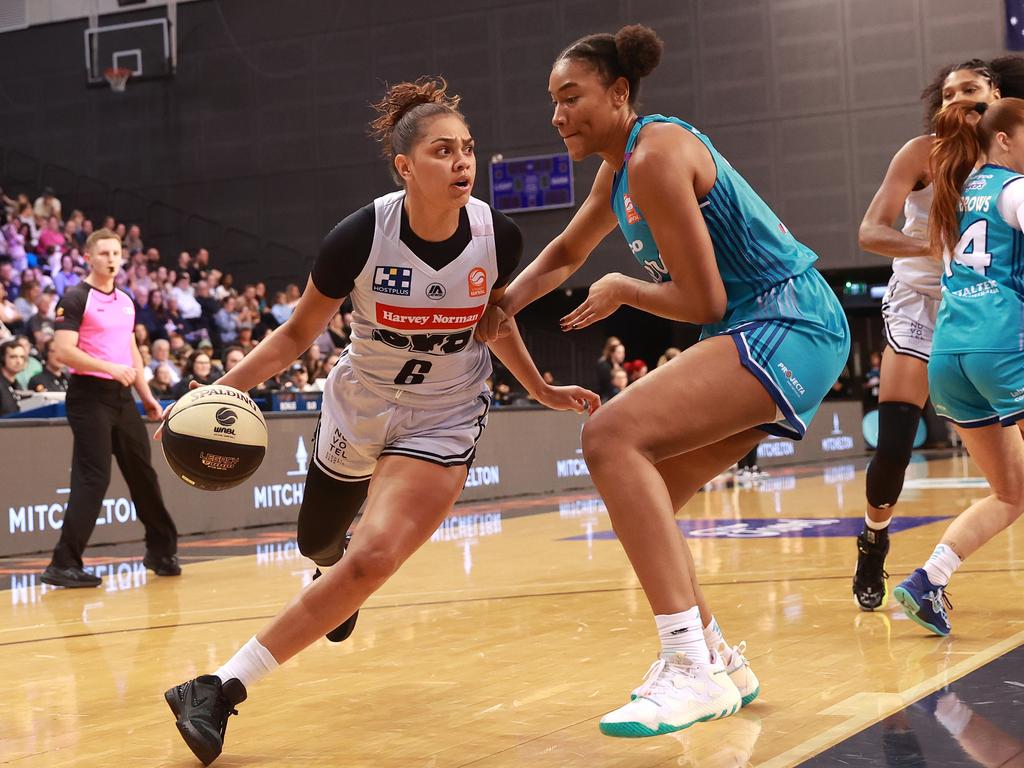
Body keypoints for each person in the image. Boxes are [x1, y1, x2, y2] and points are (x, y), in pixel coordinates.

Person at [162, 77, 600, 765]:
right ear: (405, 166)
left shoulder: (497, 236)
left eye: (468, 149)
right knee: (319, 544)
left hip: (445, 417)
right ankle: (331, 579)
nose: (462, 163)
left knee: (372, 557)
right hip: (361, 402)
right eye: (442, 151)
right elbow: (293, 337)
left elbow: (495, 325)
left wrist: (541, 388)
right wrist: (210, 394)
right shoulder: (360, 234)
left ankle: (217, 689)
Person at [485, 24, 849, 737]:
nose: (557, 114)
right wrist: (505, 303)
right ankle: (715, 660)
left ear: (619, 93)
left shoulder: (655, 156)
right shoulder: (620, 166)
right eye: (552, 102)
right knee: (654, 497)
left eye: (571, 97)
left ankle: (686, 668)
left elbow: (704, 302)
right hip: (766, 327)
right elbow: (565, 249)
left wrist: (623, 286)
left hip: (787, 320)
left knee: (609, 434)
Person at [852, 57, 1024, 611]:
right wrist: (931, 247)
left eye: (969, 90)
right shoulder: (923, 152)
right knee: (896, 440)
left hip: (974, 311)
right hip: (923, 303)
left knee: (1011, 479)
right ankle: (874, 540)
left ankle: (934, 575)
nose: (956, 99)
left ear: (992, 96)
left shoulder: (1002, 156)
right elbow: (870, 232)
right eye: (948, 93)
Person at [892, 97, 1024, 636]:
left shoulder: (955, 194)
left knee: (1011, 491)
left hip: (949, 358)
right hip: (1002, 346)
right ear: (1005, 140)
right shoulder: (1013, 187)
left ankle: (930, 579)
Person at [41, 229, 180, 588]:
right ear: (88, 258)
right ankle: (63, 563)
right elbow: (63, 350)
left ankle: (161, 551)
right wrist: (109, 368)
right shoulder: (74, 298)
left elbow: (130, 347)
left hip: (122, 397)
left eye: (116, 252)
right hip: (88, 396)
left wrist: (146, 394)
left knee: (142, 473)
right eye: (104, 253)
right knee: (94, 477)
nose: (112, 258)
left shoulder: (125, 301)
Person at [0, 338, 25, 415]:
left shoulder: (18, 385)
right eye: (13, 357)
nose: (19, 361)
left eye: (22, 357)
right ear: (2, 358)